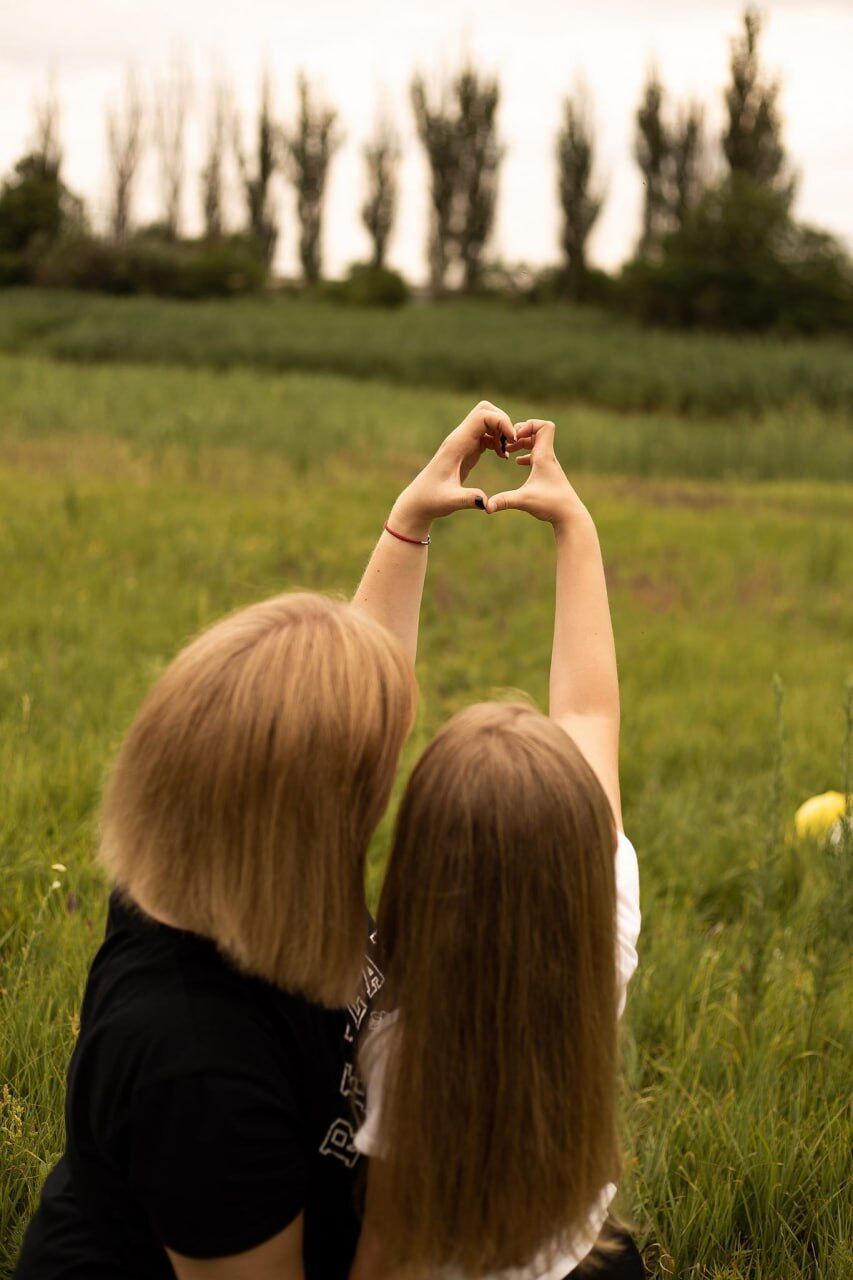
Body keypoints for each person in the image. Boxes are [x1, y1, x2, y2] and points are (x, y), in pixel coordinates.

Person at [13, 401, 517, 1280]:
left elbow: (351, 707)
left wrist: (410, 522)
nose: (393, 766)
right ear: (315, 819)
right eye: (373, 765)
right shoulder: (197, 1073)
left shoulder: (212, 855)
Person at [350, 419, 644, 1280]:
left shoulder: (393, 1043)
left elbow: (385, 1250)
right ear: (580, 855)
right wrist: (573, 526)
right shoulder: (604, 934)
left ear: (416, 876)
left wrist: (407, 527)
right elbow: (589, 713)